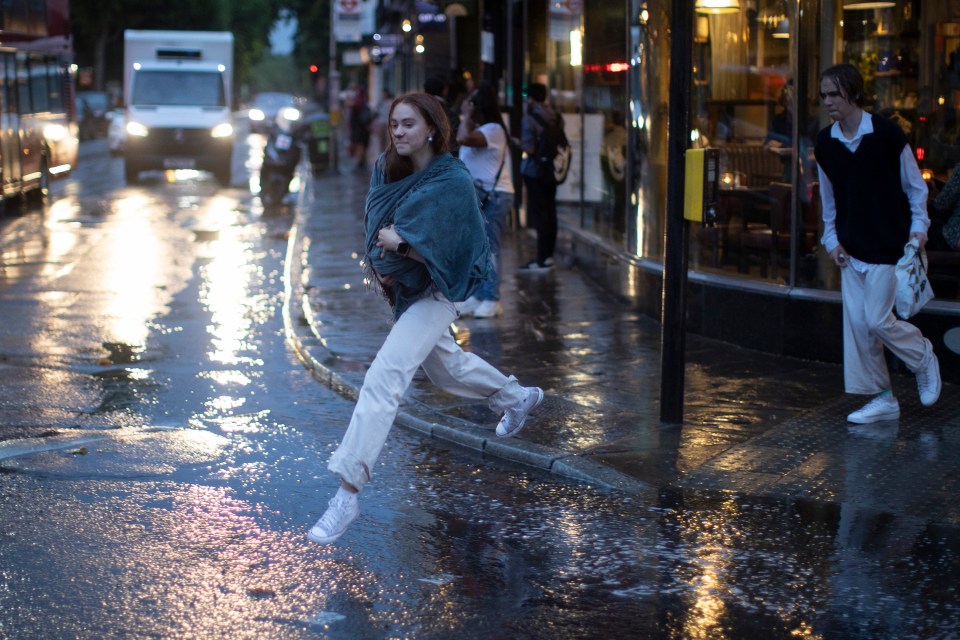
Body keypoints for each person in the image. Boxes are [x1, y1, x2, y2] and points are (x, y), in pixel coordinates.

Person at [307, 92, 545, 545]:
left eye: (408, 125)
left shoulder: (452, 182)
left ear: (432, 129)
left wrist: (401, 247)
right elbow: (375, 225)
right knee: (447, 368)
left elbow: (453, 257)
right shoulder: (387, 170)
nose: (397, 132)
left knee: (384, 377)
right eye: (394, 124)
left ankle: (346, 494)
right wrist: (392, 254)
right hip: (405, 294)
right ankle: (516, 397)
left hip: (438, 293)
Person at [814, 63, 941, 425]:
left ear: (853, 94)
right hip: (850, 251)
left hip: (889, 246)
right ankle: (883, 398)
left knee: (877, 320)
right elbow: (829, 199)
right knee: (858, 328)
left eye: (833, 94)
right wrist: (832, 241)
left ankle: (921, 356)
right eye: (823, 95)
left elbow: (916, 189)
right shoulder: (826, 143)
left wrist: (919, 231)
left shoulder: (887, 135)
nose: (827, 102)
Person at [456, 81, 515, 318]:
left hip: (496, 195)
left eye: (471, 106)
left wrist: (466, 114)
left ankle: (492, 298)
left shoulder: (493, 130)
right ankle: (479, 294)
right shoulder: (485, 129)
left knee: (489, 247)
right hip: (482, 195)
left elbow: (463, 139)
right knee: (478, 248)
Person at [519, 83, 559, 271]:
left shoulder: (529, 118)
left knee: (540, 214)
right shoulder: (555, 115)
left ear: (531, 98)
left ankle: (541, 259)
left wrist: (518, 143)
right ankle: (549, 256)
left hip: (535, 171)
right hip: (552, 169)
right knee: (551, 212)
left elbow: (531, 148)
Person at [348, 86, 372, 170]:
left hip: (358, 129)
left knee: (360, 146)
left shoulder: (357, 103)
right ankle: (362, 162)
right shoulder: (365, 103)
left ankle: (360, 163)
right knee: (362, 146)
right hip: (363, 129)